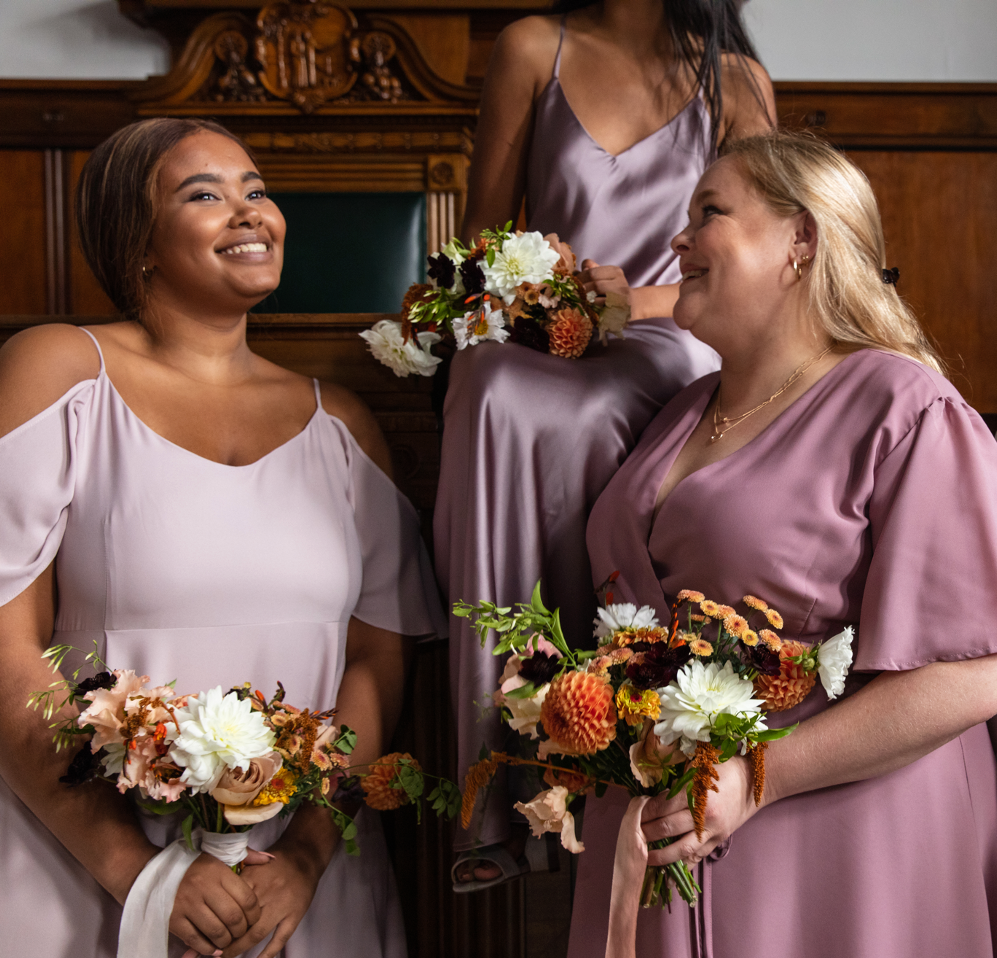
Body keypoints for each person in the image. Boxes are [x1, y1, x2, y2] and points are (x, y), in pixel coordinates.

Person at [569, 131, 997, 956]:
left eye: (709, 212)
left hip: (846, 849)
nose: (678, 240)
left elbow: (976, 673)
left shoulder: (905, 406)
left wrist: (756, 778)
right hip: (664, 829)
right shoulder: (682, 409)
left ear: (801, 240)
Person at [0, 119, 440, 956]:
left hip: (300, 891)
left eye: (257, 192)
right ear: (139, 243)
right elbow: (4, 645)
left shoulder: (342, 426)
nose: (250, 213)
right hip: (89, 870)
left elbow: (378, 662)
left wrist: (307, 859)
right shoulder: (59, 371)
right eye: (205, 195)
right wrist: (140, 874)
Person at [439, 0, 776, 885]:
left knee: (587, 414)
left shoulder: (733, 81)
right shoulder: (530, 48)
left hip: (672, 329)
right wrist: (537, 289)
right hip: (541, 330)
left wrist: (639, 304)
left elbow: (767, 250)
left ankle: (592, 748)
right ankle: (497, 774)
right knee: (490, 387)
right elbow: (480, 235)